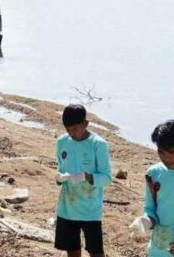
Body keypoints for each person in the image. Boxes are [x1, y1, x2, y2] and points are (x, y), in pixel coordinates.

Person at [54, 104, 112, 257]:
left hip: (90, 209)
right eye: (68, 130)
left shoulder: (98, 144)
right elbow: (60, 169)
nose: (71, 134)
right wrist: (60, 178)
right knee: (72, 249)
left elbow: (107, 178)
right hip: (67, 207)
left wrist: (87, 177)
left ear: (85, 124)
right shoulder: (62, 142)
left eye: (75, 129)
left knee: (95, 251)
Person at [128, 119, 174, 256]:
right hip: (159, 248)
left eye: (171, 152)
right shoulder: (153, 174)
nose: (165, 157)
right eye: (160, 151)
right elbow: (151, 209)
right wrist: (146, 221)